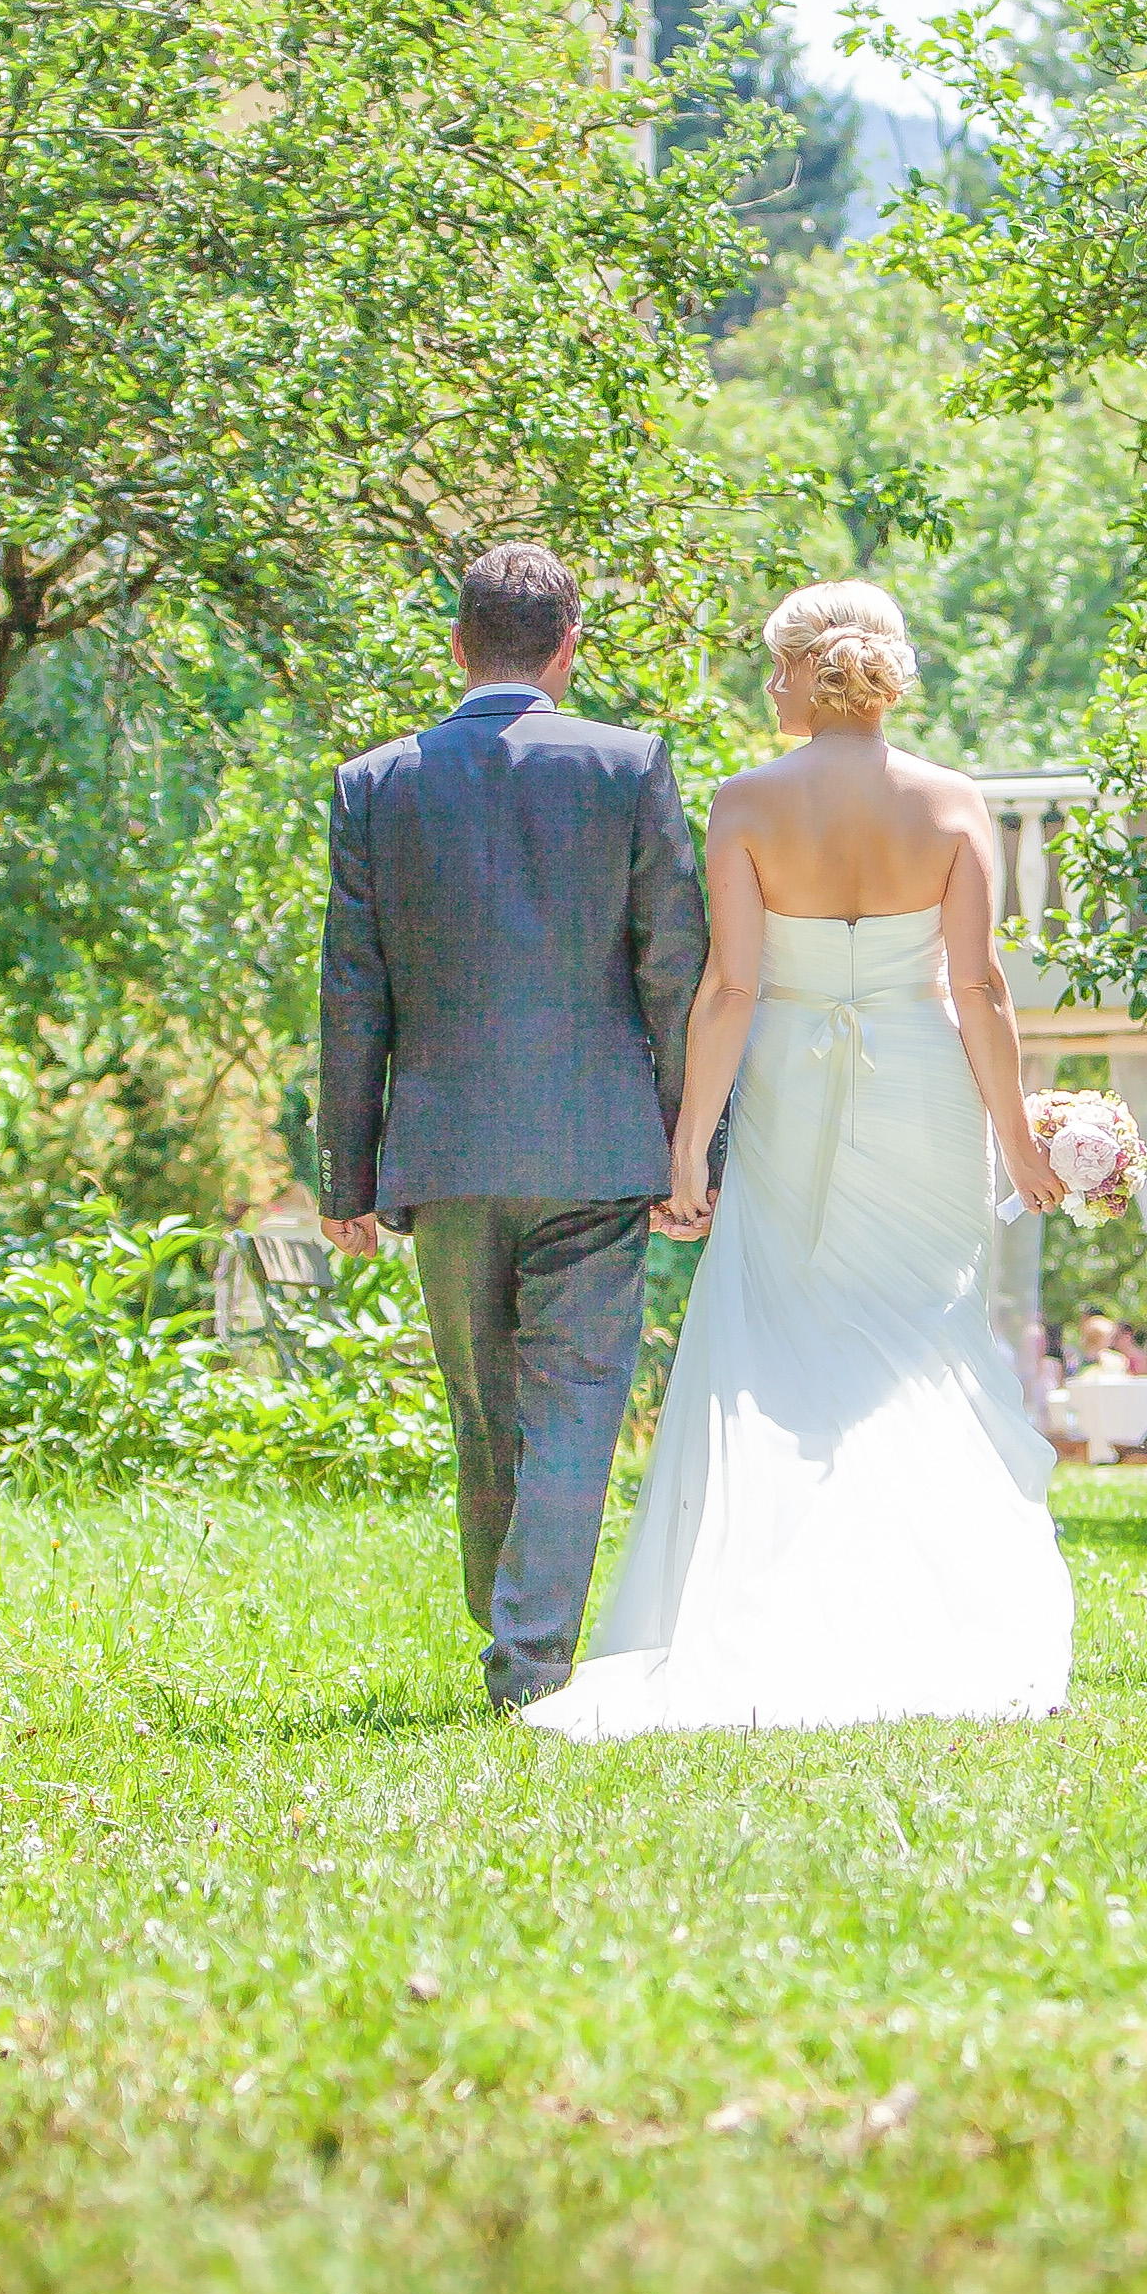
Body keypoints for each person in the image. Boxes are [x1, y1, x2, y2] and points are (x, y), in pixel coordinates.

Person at [515, 581, 1081, 1741]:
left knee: (783, 1349)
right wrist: (1018, 1140)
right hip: (924, 1090)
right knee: (923, 1342)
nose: (764, 686)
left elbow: (728, 989)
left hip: (785, 1083)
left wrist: (687, 1150)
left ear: (800, 674)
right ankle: (939, 1618)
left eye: (770, 668)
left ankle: (782, 1613)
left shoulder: (746, 802)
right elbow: (977, 989)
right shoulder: (952, 801)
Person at [318, 544, 706, 1713]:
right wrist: (698, 1143)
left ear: (456, 644)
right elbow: (674, 968)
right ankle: (523, 1632)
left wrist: (347, 1165)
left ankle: (523, 1648)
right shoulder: (628, 764)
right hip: (599, 1140)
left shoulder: (374, 782)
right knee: (571, 1399)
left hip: (443, 1150)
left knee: (485, 1399)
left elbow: (352, 991)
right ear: (568, 648)